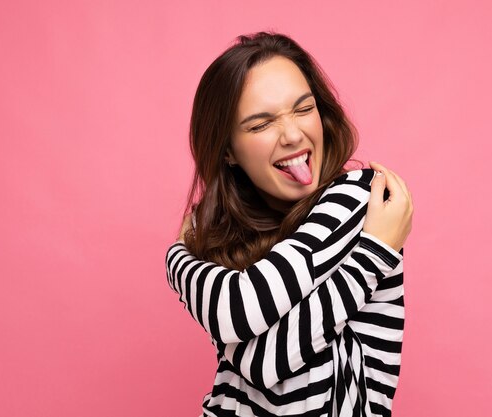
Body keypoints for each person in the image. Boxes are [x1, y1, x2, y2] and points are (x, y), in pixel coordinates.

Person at [166, 32, 413, 417]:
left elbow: (256, 349)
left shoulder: (357, 197)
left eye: (303, 109)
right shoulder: (227, 234)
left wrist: (177, 261)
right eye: (261, 124)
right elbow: (250, 350)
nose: (294, 135)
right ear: (228, 151)